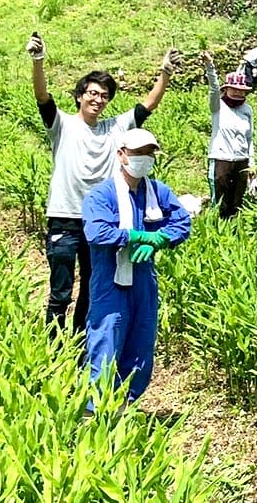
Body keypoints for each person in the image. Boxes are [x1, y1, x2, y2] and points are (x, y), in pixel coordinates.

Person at [28, 32, 178, 337]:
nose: (98, 99)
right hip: (64, 218)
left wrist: (165, 73)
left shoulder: (115, 128)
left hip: (99, 222)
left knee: (92, 287)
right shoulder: (62, 124)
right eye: (92, 93)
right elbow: (42, 96)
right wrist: (38, 60)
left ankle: (80, 344)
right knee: (60, 291)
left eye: (104, 96)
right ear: (80, 96)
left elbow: (147, 105)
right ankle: (53, 347)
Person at [81, 129, 192, 404]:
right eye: (137, 153)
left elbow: (182, 222)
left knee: (141, 342)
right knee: (106, 339)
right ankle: (93, 407)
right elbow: (97, 233)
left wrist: (160, 240)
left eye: (149, 153)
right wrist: (136, 236)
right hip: (111, 280)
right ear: (122, 155)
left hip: (144, 279)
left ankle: (126, 403)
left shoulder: (157, 191)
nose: (144, 158)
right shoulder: (102, 195)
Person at [202, 50, 256, 219]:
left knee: (237, 200)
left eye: (242, 90)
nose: (238, 93)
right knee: (220, 200)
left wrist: (252, 163)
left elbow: (250, 138)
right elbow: (213, 88)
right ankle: (216, 226)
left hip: (242, 160)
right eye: (234, 89)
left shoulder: (247, 110)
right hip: (221, 158)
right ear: (226, 89)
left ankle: (234, 228)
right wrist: (210, 66)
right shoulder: (218, 106)